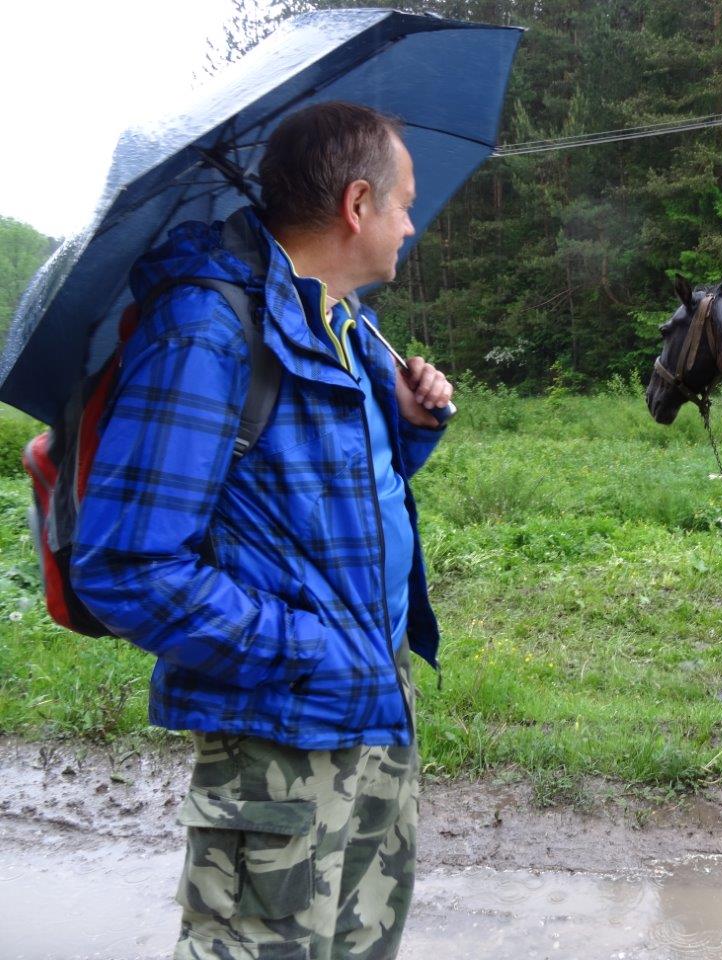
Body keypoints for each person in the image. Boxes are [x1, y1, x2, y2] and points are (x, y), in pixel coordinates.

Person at [70, 101, 451, 959]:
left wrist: (410, 428)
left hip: (372, 702)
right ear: (358, 205)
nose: (411, 223)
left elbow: (320, 501)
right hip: (280, 728)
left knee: (359, 942)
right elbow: (128, 565)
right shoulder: (206, 330)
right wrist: (305, 651)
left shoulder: (345, 326)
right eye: (404, 202)